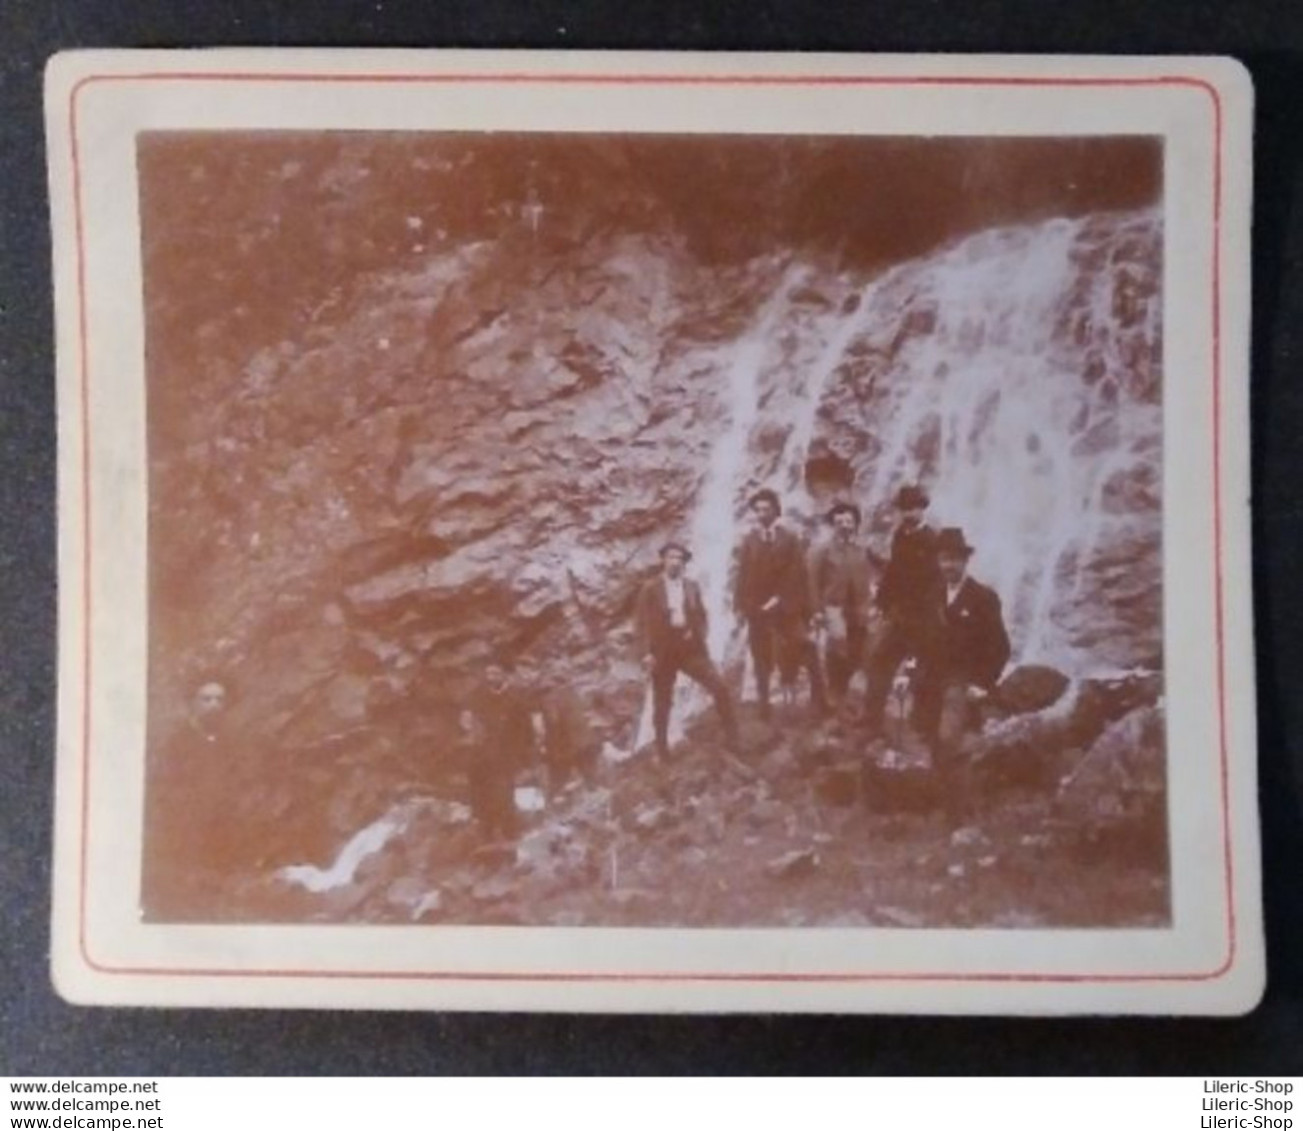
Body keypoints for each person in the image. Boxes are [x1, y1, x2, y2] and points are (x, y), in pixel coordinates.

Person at [912, 528, 1012, 825]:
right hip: (930, 681)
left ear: (965, 561)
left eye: (955, 559)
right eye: (943, 559)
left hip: (961, 682)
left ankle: (960, 816)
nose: (949, 566)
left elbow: (1000, 648)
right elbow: (922, 640)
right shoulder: (931, 596)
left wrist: (982, 684)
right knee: (931, 739)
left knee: (949, 738)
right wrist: (912, 669)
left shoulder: (983, 598)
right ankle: (944, 805)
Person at [142, 677, 241, 921]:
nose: (214, 705)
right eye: (206, 699)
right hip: (186, 823)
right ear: (193, 703)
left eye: (219, 699)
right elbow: (166, 786)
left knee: (219, 882)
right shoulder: (178, 742)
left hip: (222, 821)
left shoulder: (230, 741)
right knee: (187, 885)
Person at [636, 541, 740, 760]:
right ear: (663, 560)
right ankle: (662, 750)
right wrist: (647, 652)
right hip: (663, 649)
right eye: (671, 557)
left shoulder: (691, 586)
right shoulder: (650, 588)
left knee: (719, 687)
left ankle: (734, 738)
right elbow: (642, 623)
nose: (675, 562)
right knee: (662, 701)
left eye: (680, 558)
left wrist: (698, 634)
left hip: (689, 648)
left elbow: (701, 615)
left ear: (684, 563)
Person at [733, 488, 827, 719]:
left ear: (776, 511)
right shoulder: (749, 541)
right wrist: (741, 607)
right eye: (758, 510)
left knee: (806, 647)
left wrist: (780, 599)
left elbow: (797, 574)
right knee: (761, 657)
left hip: (786, 607)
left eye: (767, 509)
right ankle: (764, 705)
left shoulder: (790, 538)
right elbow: (743, 575)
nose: (762, 514)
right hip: (757, 610)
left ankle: (820, 699)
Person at [862, 484, 944, 735]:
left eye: (914, 508)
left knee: (922, 676)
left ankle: (924, 731)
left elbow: (935, 587)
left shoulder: (932, 541)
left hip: (923, 622)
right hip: (901, 618)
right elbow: (894, 575)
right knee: (879, 664)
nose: (909, 514)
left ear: (922, 509)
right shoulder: (900, 535)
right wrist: (881, 604)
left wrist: (923, 624)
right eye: (904, 509)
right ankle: (872, 724)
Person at [808, 501, 873, 705]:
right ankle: (833, 697)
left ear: (855, 524)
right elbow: (811, 581)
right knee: (837, 648)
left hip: (859, 610)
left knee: (857, 652)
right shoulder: (822, 550)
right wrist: (817, 611)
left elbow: (879, 571)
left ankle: (847, 698)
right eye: (840, 521)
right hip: (833, 608)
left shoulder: (861, 550)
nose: (845, 525)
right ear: (833, 524)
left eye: (849, 521)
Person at [463, 660, 536, 841]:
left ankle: (510, 832)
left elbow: (527, 729)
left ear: (505, 675)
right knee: (483, 795)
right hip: (483, 756)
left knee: (505, 793)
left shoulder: (517, 698)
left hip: (508, 754)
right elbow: (468, 722)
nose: (491, 678)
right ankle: (487, 834)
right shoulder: (478, 697)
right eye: (488, 674)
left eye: (495, 674)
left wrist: (526, 756)